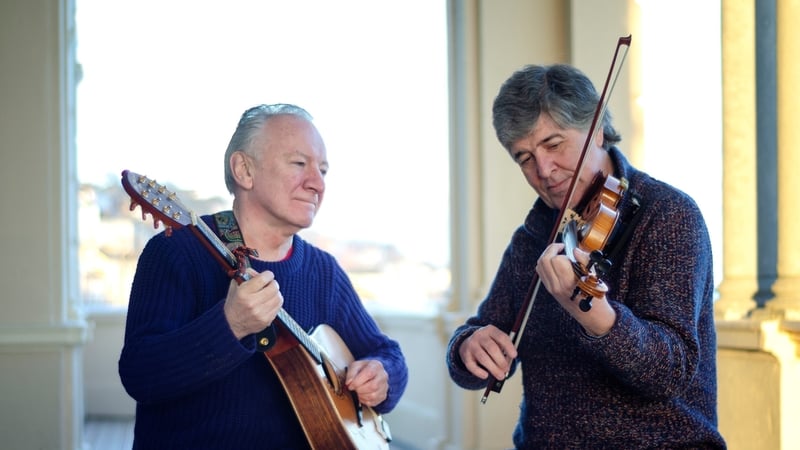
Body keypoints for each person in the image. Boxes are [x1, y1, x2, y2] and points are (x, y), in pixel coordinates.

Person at [445, 64, 726, 449]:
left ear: (596, 130)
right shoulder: (534, 237)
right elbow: (481, 336)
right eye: (524, 157)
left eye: (553, 144)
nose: (543, 170)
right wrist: (467, 347)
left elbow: (668, 372)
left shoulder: (668, 215)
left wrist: (590, 311)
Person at [119, 103, 408, 449]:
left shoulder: (324, 271)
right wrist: (230, 325)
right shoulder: (176, 252)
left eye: (323, 170)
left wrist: (382, 374)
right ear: (244, 170)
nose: (317, 183)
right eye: (299, 163)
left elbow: (386, 353)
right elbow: (140, 375)